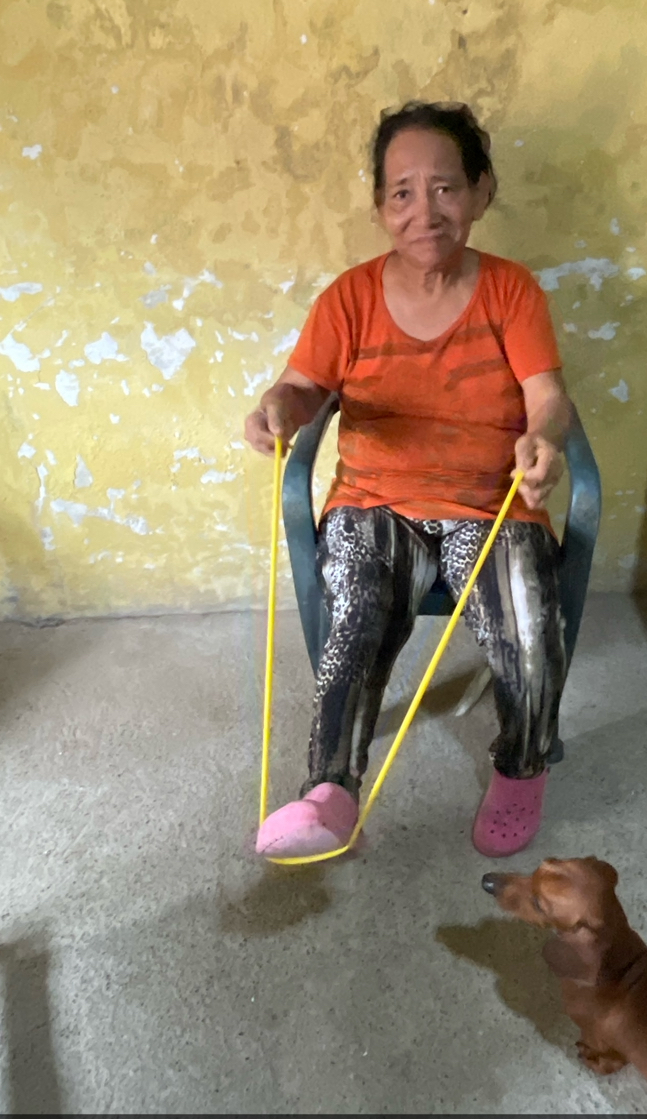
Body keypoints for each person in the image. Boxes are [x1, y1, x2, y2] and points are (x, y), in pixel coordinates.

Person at [245, 102, 574, 861]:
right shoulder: (349, 297)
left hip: (489, 502)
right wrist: (277, 408)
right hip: (375, 501)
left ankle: (521, 769)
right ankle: (329, 791)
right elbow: (300, 388)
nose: (424, 211)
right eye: (401, 193)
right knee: (357, 620)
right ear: (380, 207)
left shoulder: (512, 291)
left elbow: (548, 398)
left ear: (481, 192)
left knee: (527, 630)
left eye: (444, 188)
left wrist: (545, 440)